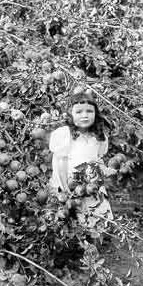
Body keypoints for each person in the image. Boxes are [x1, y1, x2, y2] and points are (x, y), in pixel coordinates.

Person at [48, 92, 116, 229]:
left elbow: (97, 159)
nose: (84, 115)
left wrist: (105, 169)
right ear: (70, 114)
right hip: (67, 183)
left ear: (96, 114)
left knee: (93, 218)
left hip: (89, 184)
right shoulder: (65, 134)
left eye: (89, 111)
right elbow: (61, 162)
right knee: (64, 218)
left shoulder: (98, 136)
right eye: (79, 112)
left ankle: (92, 241)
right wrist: (65, 188)